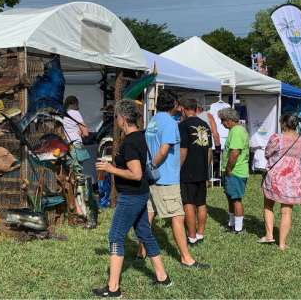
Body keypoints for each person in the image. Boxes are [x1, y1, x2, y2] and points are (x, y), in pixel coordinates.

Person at [94, 99, 171, 298]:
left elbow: (136, 174)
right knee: (145, 234)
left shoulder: (129, 142)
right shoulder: (141, 136)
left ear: (123, 119)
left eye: (117, 117)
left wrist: (111, 168)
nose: (116, 121)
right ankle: (163, 277)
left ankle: (113, 288)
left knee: (115, 237)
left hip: (131, 196)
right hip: (141, 193)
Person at [138, 91, 209, 268]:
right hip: (166, 177)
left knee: (148, 215)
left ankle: (141, 251)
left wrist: (148, 168)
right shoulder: (170, 123)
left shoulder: (153, 121)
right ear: (174, 105)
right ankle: (186, 258)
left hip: (152, 178)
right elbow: (164, 150)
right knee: (177, 216)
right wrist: (153, 165)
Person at [259, 115, 301, 250]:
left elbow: (267, 153)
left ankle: (269, 235)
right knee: (287, 211)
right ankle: (282, 244)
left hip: (276, 175)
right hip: (293, 178)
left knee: (268, 205)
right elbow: (300, 155)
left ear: (284, 124)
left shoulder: (277, 138)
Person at [179, 99, 212, 246]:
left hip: (188, 169)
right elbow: (210, 150)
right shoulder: (205, 125)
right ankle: (200, 233)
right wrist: (206, 167)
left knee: (188, 203)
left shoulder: (183, 125)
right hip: (202, 169)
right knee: (201, 203)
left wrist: (177, 168)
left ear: (184, 109)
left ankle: (191, 237)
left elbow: (183, 150)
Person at [63, 95, 97, 228]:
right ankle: (83, 211)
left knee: (72, 177)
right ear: (74, 104)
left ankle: (76, 208)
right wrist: (81, 132)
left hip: (67, 147)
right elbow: (86, 132)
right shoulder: (74, 113)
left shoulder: (64, 114)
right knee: (79, 178)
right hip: (76, 146)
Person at [218, 108, 249, 234]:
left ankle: (238, 228)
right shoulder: (235, 130)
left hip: (235, 171)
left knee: (236, 199)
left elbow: (235, 153)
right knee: (231, 197)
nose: (222, 123)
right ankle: (232, 223)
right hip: (232, 171)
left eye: (223, 120)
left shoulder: (236, 131)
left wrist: (229, 169)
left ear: (230, 120)